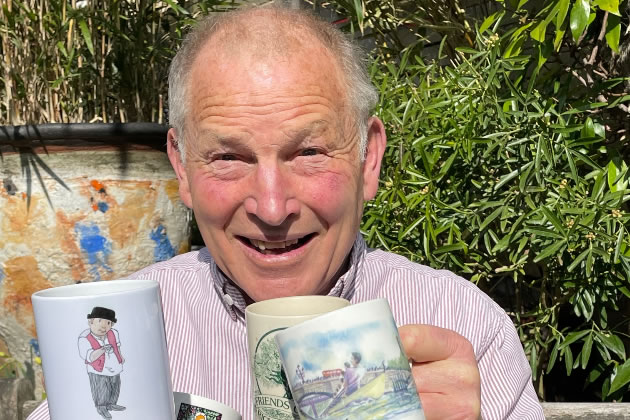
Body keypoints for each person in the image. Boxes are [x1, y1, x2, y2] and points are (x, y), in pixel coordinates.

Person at [28, 5, 544, 420]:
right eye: (229, 158)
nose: (271, 207)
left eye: (309, 153)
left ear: (369, 159)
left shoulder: (463, 327)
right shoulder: (136, 324)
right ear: (181, 169)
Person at [78, 307, 125, 419]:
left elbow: (117, 346)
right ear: (91, 322)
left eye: (108, 323)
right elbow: (89, 357)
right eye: (100, 321)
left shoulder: (113, 333)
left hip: (114, 366)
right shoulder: (85, 338)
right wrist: (103, 349)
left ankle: (111, 404)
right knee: (101, 389)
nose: (104, 326)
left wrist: (120, 356)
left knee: (115, 386)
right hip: (98, 370)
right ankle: (101, 407)